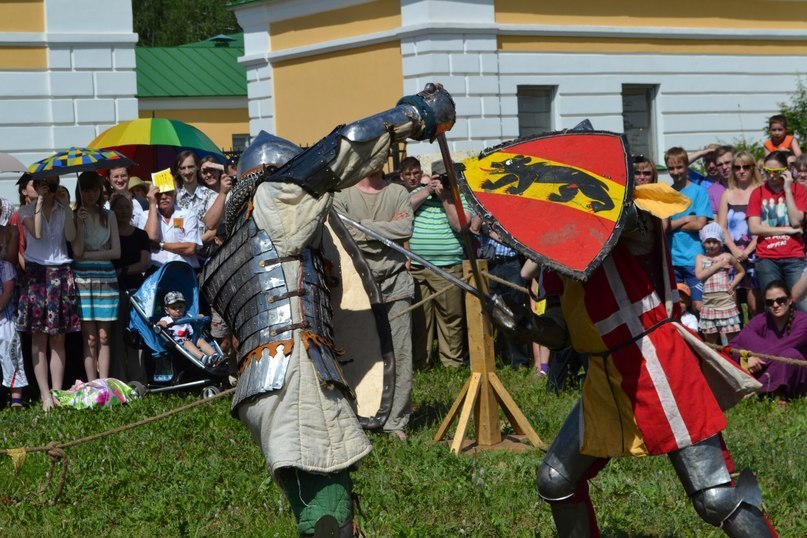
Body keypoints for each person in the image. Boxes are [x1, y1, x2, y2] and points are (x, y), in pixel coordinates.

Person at [200, 84, 456, 537]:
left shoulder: (239, 239)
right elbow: (341, 149)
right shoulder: (276, 198)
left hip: (267, 381)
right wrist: (413, 115)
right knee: (329, 504)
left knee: (315, 496)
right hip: (296, 374)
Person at [524, 179, 775, 536]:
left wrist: (598, 200)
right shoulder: (557, 250)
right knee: (554, 479)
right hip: (606, 375)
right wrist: (528, 326)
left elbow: (639, 224)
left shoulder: (632, 215)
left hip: (659, 362)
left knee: (715, 498)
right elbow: (560, 330)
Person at [333, 168, 415, 439]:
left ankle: (395, 421)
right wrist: (384, 230)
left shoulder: (397, 192)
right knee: (361, 351)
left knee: (401, 352)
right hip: (356, 284)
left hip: (395, 281)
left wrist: (363, 226)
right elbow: (344, 234)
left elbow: (405, 228)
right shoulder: (342, 195)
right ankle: (358, 414)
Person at [16, 175, 80, 411]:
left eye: (51, 186)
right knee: (38, 338)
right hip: (37, 274)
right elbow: (38, 233)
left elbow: (72, 237)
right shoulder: (25, 211)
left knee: (59, 337)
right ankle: (44, 394)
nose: (47, 190)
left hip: (61, 272)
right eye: (43, 186)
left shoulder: (64, 210)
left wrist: (67, 209)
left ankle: (57, 390)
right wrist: (41, 202)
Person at [409, 160, 472, 368]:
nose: (442, 181)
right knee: (420, 320)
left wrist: (446, 198)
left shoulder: (461, 196)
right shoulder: (419, 192)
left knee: (450, 318)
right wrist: (427, 190)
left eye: (446, 177)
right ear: (432, 176)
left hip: (447, 267)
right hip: (418, 267)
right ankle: (421, 362)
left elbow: (461, 225)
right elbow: (403, 208)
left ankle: (451, 364)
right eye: (439, 177)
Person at [72, 171, 121, 381]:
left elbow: (116, 252)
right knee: (89, 338)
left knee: (104, 335)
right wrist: (79, 223)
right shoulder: (75, 215)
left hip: (106, 277)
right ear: (80, 191)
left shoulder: (109, 215)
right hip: (83, 278)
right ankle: (92, 384)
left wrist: (88, 255)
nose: (90, 194)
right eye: (85, 189)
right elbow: (76, 251)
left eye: (94, 189)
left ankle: (104, 383)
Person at [747, 150, 807, 311]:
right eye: (768, 171)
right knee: (774, 307)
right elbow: (754, 228)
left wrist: (787, 189)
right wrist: (787, 231)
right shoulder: (757, 193)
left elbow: (796, 221)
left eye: (776, 172)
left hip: (794, 256)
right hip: (767, 257)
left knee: (801, 305)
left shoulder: (798, 191)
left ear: (786, 170)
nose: (771, 176)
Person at [472, 213, 531, 368]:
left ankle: (519, 361)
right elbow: (474, 228)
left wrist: (491, 231)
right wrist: (482, 213)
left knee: (514, 313)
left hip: (511, 264)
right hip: (488, 266)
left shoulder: (511, 211)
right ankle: (489, 358)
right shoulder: (480, 207)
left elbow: (516, 240)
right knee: (487, 313)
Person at [730, 280, 807, 400]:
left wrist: (757, 357)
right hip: (763, 368)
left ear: (790, 300)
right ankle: (772, 392)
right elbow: (733, 346)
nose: (775, 305)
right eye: (770, 302)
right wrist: (747, 358)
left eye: (781, 300)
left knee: (790, 354)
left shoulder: (803, 321)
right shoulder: (759, 320)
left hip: (795, 378)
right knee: (747, 336)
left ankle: (757, 390)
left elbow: (784, 347)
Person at [109, 195, 151, 383]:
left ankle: (138, 378)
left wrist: (123, 270)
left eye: (127, 207)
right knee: (116, 336)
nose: (124, 211)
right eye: (120, 208)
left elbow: (144, 263)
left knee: (135, 335)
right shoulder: (109, 235)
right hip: (114, 291)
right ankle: (118, 377)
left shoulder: (141, 235)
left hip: (136, 290)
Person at [666, 147, 713, 313]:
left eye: (679, 167)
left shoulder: (699, 191)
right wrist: (686, 219)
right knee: (677, 306)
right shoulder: (666, 194)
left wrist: (674, 225)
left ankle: (703, 338)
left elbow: (700, 223)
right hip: (672, 258)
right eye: (671, 168)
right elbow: (664, 227)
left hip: (695, 258)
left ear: (687, 167)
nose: (676, 172)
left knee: (699, 305)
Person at [718, 150, 762, 317]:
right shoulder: (727, 194)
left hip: (755, 254)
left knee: (755, 307)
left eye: (746, 167)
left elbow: (763, 225)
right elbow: (722, 227)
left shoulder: (760, 191)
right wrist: (735, 251)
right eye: (737, 167)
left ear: (752, 169)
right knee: (732, 307)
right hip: (732, 254)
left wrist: (748, 251)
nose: (741, 171)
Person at [695, 222, 744, 344]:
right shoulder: (700, 258)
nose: (711, 245)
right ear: (703, 241)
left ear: (721, 242)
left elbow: (741, 271)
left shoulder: (727, 256)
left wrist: (732, 285)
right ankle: (713, 362)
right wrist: (719, 265)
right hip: (709, 303)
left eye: (715, 241)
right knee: (711, 342)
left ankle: (732, 361)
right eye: (708, 241)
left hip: (725, 301)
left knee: (732, 340)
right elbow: (699, 276)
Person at [0, 200, 26, 408]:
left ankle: (16, 395)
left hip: (5, 316)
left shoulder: (5, 266)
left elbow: (8, 289)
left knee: (10, 351)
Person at [173, 151, 217, 266]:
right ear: (178, 171)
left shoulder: (211, 196)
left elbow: (213, 231)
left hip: (207, 261)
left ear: (197, 167)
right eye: (183, 168)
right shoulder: (174, 198)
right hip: (181, 260)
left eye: (190, 167)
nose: (187, 172)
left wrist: (192, 245)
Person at [143, 185, 202, 269]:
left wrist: (161, 245)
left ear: (174, 195)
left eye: (167, 193)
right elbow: (151, 237)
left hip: (184, 270)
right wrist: (152, 204)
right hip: (156, 271)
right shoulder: (145, 215)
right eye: (158, 194)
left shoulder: (187, 215)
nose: (163, 197)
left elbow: (190, 248)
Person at [157, 291, 221, 367]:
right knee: (187, 342)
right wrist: (161, 324)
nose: (178, 310)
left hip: (189, 340)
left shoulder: (187, 317)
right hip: (176, 344)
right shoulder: (166, 319)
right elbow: (160, 323)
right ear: (167, 310)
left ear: (184, 307)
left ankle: (215, 356)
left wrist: (199, 317)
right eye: (174, 308)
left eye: (180, 307)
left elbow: (195, 322)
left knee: (200, 340)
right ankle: (203, 359)